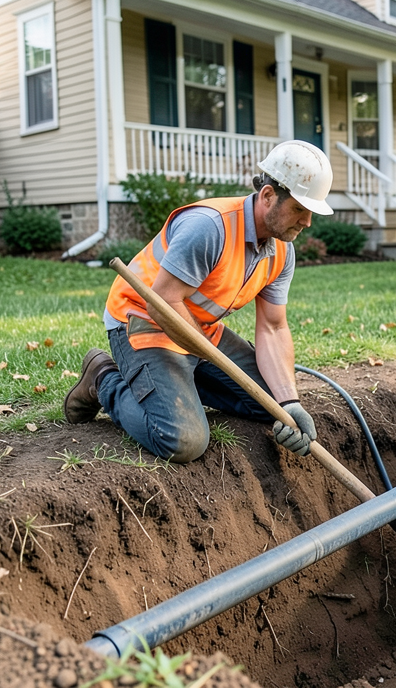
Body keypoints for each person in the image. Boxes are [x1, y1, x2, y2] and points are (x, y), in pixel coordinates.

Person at [63, 140, 334, 463]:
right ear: (267, 196)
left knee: (272, 406)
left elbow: (274, 328)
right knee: (183, 441)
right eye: (300, 210)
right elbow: (162, 302)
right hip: (143, 322)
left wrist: (289, 403)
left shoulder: (280, 251)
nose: (306, 223)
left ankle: (178, 382)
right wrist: (203, 349)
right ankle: (103, 378)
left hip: (198, 328)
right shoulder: (209, 228)